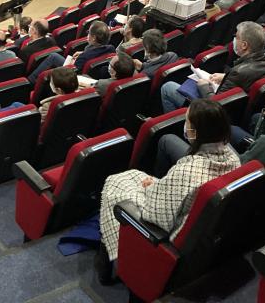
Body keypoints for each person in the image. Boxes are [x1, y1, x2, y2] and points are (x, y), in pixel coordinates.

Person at [96, 99, 240, 282]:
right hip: (198, 225)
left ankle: (110, 256)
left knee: (114, 183)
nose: (185, 125)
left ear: (195, 132)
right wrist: (159, 186)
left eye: (187, 122)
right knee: (133, 175)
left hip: (164, 233)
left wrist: (153, 189)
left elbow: (155, 216)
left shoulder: (186, 172)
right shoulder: (232, 156)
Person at [160, 21, 265, 113]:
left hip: (215, 113)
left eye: (236, 37)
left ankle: (182, 124)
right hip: (240, 109)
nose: (234, 39)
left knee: (167, 87)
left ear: (244, 45)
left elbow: (214, 106)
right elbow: (248, 79)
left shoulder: (238, 72)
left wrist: (204, 86)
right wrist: (226, 76)